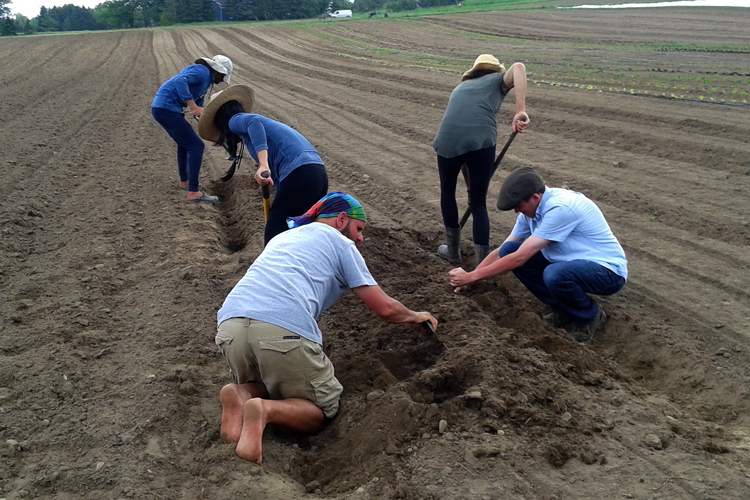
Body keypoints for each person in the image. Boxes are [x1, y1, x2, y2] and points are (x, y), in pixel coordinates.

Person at [215, 192, 437, 464]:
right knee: (322, 408)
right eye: (359, 229)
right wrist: (416, 316)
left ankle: (242, 392)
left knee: (273, 378)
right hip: (280, 326)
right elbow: (385, 308)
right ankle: (263, 410)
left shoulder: (282, 238)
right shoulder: (340, 244)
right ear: (342, 219)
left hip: (230, 326)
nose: (361, 238)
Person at [448, 167, 627, 345]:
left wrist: (472, 276)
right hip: (569, 263)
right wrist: (472, 278)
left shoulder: (560, 209)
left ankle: (589, 317)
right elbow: (502, 251)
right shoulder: (532, 211)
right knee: (509, 249)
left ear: (535, 197)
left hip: (607, 272)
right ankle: (563, 311)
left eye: (518, 206)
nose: (517, 211)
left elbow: (520, 258)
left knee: (554, 274)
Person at [198, 85, 328, 245]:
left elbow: (253, 120)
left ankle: (273, 268)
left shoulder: (235, 120)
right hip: (316, 176)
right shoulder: (261, 130)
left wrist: (263, 165)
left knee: (274, 235)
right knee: (298, 232)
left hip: (301, 174)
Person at [433, 54, 530, 268]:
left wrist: (470, 186)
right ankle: (482, 264)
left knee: (447, 191)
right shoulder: (497, 81)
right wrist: (520, 111)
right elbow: (519, 68)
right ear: (495, 71)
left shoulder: (460, 88)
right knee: (478, 204)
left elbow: (463, 144)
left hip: (447, 141)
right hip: (481, 141)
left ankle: (452, 251)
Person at [151, 55, 233, 204]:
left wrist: (215, 133)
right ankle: (194, 192)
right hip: (166, 108)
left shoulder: (206, 82)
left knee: (185, 144)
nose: (221, 80)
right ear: (218, 71)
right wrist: (192, 106)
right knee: (196, 146)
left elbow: (200, 112)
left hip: (164, 108)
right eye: (222, 76)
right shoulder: (201, 71)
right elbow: (179, 81)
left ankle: (185, 182)